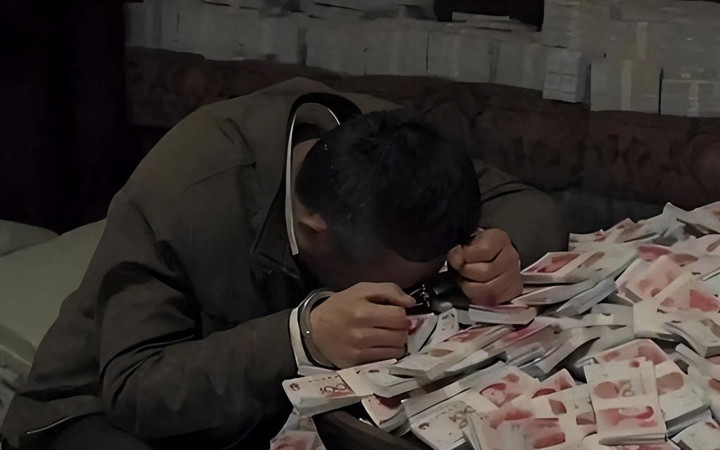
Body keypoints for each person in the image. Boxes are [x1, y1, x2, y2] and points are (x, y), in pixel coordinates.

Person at [1, 78, 567, 450]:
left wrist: (500, 251)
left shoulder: (381, 146)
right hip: (95, 413)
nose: (409, 302)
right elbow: (135, 390)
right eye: (389, 287)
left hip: (262, 411)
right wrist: (300, 338)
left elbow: (529, 206)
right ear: (318, 229)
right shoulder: (185, 195)